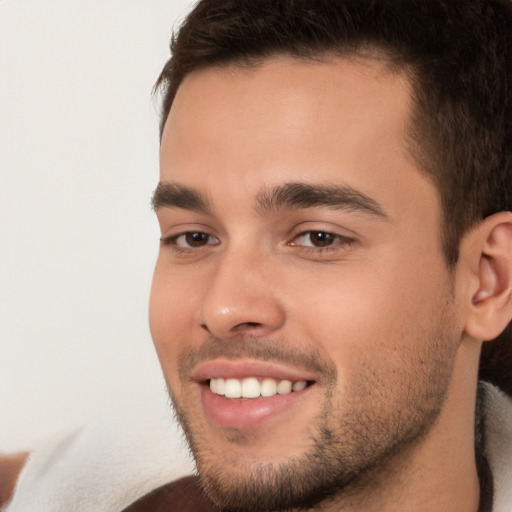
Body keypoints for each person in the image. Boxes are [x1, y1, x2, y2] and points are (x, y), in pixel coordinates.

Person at [3, 1, 512, 511]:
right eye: (194, 238)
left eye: (318, 238)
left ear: (488, 280)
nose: (222, 308)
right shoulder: (90, 488)